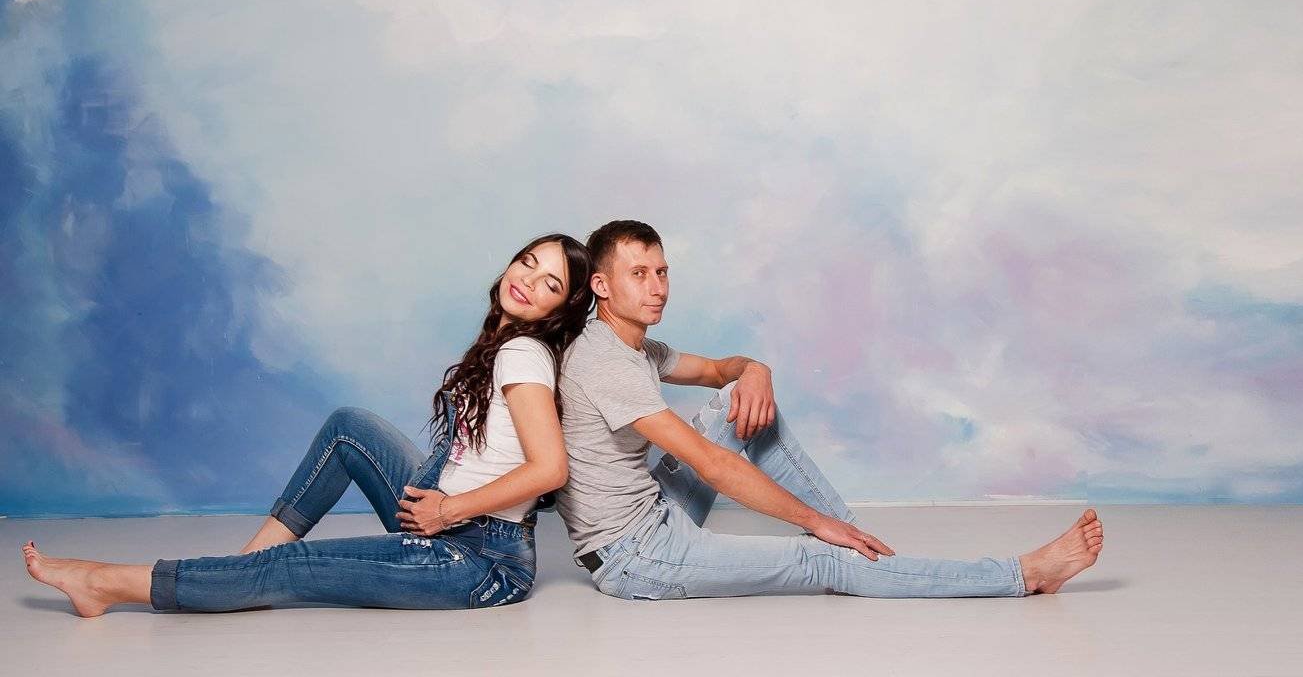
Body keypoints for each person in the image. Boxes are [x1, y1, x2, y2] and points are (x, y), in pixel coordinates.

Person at [22, 233, 594, 616]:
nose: (529, 280)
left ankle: (106, 583)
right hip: (445, 515)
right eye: (528, 262)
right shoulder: (501, 345)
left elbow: (550, 469)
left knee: (291, 568)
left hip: (478, 560)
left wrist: (448, 510)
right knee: (349, 427)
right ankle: (240, 572)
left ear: (560, 309)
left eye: (551, 283)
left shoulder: (522, 354)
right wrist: (440, 505)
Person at [555, 220, 1105, 601]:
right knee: (822, 557)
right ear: (601, 285)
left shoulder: (637, 346)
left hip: (654, 510)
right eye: (639, 274)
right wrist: (816, 523)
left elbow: (723, 370)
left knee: (737, 405)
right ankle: (1021, 575)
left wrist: (757, 370)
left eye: (662, 272)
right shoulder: (604, 360)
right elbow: (713, 465)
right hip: (635, 555)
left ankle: (863, 550)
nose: (657, 288)